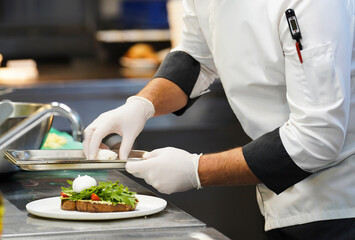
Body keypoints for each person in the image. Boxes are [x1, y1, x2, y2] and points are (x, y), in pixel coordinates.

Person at [84, 1, 355, 239]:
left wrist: (196, 170)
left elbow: (316, 139)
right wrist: (141, 105)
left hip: (339, 205)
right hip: (279, 197)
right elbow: (195, 56)